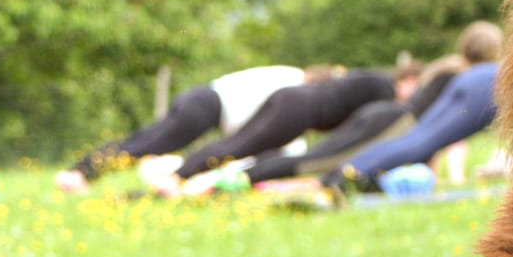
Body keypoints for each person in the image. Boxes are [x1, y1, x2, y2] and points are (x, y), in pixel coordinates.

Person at [242, 22, 504, 187]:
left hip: (384, 114)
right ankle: (245, 178)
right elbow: (429, 136)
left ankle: (245, 176)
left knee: (317, 157)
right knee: (317, 161)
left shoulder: (448, 66)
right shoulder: (468, 77)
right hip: (394, 121)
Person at [161, 63, 423, 194]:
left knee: (241, 143)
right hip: (298, 108)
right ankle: (179, 177)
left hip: (292, 99)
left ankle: (185, 175)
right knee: (241, 146)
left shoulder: (372, 79)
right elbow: (364, 132)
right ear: (407, 80)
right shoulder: (384, 90)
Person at [54, 64, 310, 192]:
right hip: (208, 105)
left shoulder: (292, 76)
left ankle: (81, 172)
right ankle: (80, 173)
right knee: (149, 144)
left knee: (147, 141)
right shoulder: (296, 86)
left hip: (204, 100)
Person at [335, 51, 499, 190]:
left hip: (469, 81)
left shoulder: (460, 69)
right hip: (486, 85)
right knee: (419, 144)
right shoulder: (485, 75)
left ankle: (347, 171)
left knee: (415, 141)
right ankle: (349, 174)